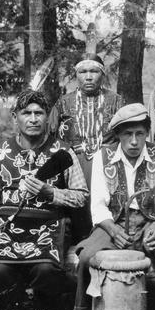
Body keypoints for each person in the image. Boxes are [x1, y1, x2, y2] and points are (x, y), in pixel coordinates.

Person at [63, 103, 155, 310]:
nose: (134, 141)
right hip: (113, 222)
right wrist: (113, 231)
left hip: (152, 220)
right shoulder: (103, 157)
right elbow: (98, 204)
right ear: (118, 135)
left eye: (140, 134)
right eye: (128, 134)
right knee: (86, 255)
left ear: (147, 134)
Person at [0, 89, 88, 310]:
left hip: (49, 225)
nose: (33, 119)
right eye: (26, 113)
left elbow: (81, 196)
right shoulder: (1, 154)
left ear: (48, 118)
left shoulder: (63, 152)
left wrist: (50, 192)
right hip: (9, 226)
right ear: (15, 117)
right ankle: (12, 308)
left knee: (46, 269)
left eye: (39, 113)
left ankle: (44, 308)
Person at [49, 53, 124, 242]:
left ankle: (103, 237)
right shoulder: (64, 102)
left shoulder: (116, 101)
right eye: (83, 72)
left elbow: (125, 133)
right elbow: (51, 135)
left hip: (108, 160)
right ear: (76, 75)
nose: (88, 76)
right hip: (75, 162)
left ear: (102, 74)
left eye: (94, 71)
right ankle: (78, 240)